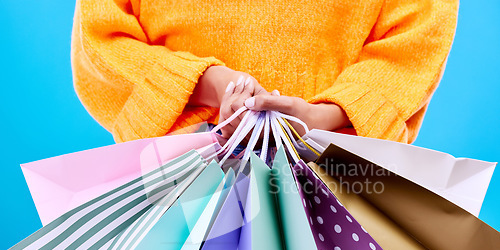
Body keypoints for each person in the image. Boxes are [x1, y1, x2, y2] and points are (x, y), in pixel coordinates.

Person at [71, 0, 459, 144]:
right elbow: (102, 33)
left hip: (330, 169)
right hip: (178, 168)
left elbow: (416, 37)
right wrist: (205, 86)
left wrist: (320, 117)